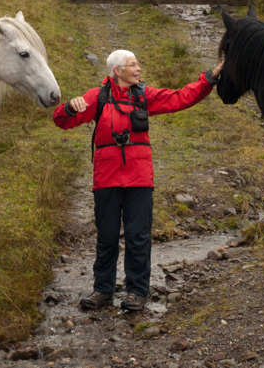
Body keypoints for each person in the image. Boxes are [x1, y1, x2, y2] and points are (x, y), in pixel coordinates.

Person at [53, 49, 223, 312]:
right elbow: (62, 122)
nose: (138, 69)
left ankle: (137, 292)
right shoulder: (96, 97)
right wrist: (67, 107)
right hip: (106, 179)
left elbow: (181, 98)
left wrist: (209, 78)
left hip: (139, 179)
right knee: (107, 237)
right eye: (133, 65)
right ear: (117, 71)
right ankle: (103, 291)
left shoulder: (144, 95)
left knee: (138, 236)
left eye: (138, 64)